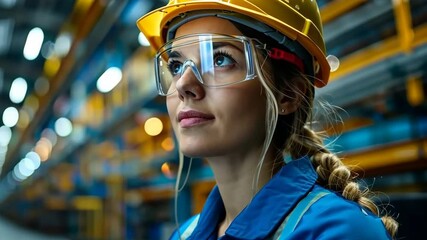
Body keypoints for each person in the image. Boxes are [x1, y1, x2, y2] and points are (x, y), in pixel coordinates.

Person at [137, 0, 398, 239]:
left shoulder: (338, 231)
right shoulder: (185, 234)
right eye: (176, 66)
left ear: (288, 94)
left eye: (220, 59)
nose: (183, 84)